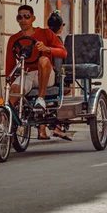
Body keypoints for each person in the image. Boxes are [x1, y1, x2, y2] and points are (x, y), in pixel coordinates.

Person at [6, 5, 67, 116]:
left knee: (43, 60)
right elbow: (10, 65)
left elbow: (63, 52)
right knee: (14, 91)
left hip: (45, 74)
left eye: (26, 16)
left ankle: (41, 99)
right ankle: (5, 121)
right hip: (27, 74)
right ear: (17, 19)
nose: (23, 20)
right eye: (20, 17)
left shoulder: (46, 33)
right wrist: (10, 84)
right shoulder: (13, 39)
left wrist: (47, 49)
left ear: (33, 18)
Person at [38, 10, 72, 141]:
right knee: (65, 94)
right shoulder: (58, 41)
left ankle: (42, 130)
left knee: (41, 96)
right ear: (61, 27)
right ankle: (58, 127)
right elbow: (59, 65)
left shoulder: (43, 39)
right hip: (53, 76)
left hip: (40, 75)